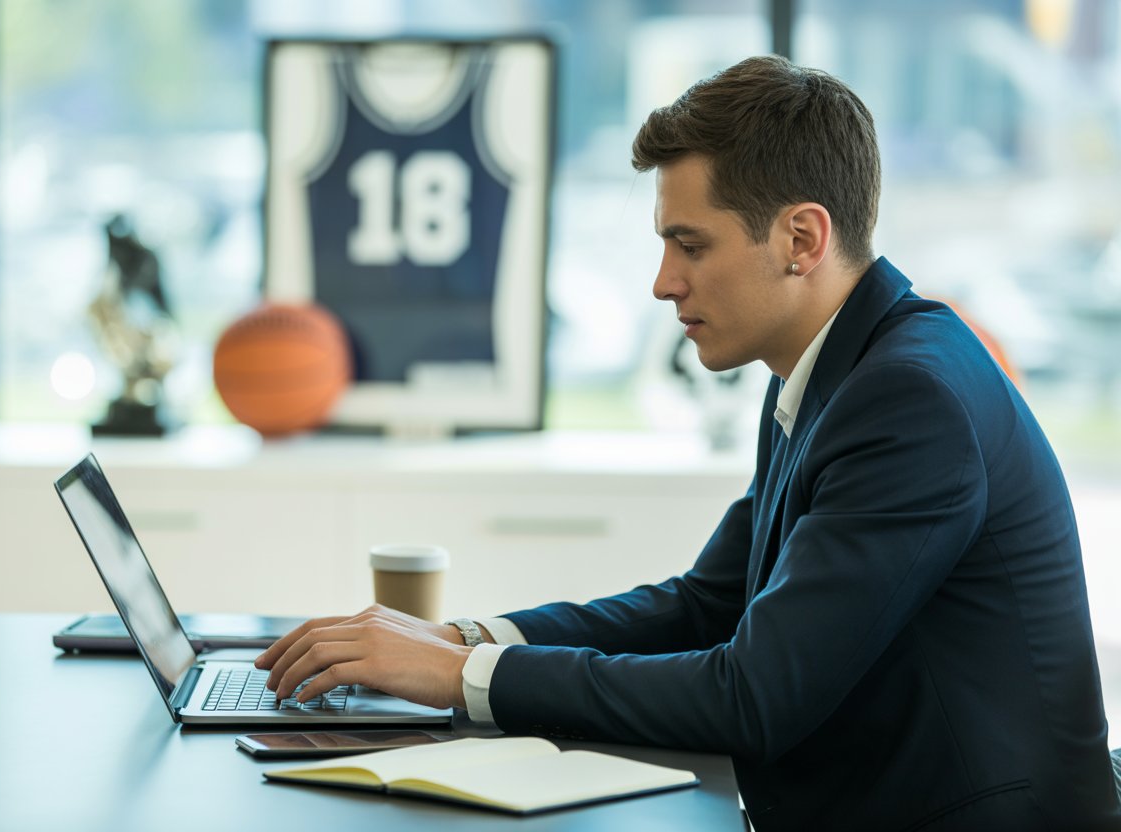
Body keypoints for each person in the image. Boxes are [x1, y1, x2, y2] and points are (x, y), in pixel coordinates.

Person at [256, 55, 1121, 831]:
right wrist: (469, 638)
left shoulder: (909, 400)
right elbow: (705, 603)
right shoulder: (830, 368)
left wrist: (461, 677)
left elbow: (754, 695)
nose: (664, 282)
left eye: (690, 245)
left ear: (802, 239)